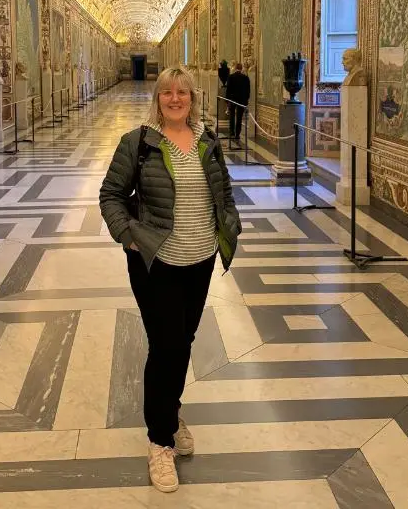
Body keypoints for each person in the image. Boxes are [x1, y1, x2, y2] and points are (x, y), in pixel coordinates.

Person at [99, 66, 241, 493]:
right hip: (156, 261)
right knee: (168, 346)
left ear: (193, 98)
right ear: (157, 99)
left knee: (184, 341)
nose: (175, 99)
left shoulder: (208, 141)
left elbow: (225, 192)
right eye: (167, 93)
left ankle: (169, 411)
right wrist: (128, 237)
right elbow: (110, 195)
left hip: (199, 260)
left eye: (182, 92)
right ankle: (160, 441)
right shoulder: (137, 143)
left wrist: (228, 227)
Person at [225, 62, 251, 145]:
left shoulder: (231, 77)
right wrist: (246, 100)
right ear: (241, 68)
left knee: (232, 116)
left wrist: (227, 100)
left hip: (232, 99)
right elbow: (248, 91)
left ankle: (231, 132)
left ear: (235, 68)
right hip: (241, 100)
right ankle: (237, 134)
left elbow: (228, 90)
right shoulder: (246, 78)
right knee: (239, 117)